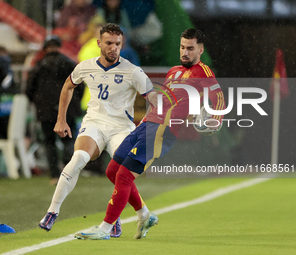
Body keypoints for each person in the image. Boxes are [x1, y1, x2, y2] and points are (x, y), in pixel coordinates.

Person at [74, 28, 226, 240]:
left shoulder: (203, 71)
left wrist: (215, 120)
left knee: (125, 175)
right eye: (182, 47)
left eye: (190, 48)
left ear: (200, 50)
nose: (185, 52)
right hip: (147, 125)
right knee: (112, 170)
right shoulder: (174, 70)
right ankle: (144, 215)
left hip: (163, 131)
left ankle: (106, 229)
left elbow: (218, 98)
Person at [39, 24, 157, 238]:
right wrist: (61, 120)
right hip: (94, 122)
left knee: (120, 174)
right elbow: (68, 86)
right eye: (109, 43)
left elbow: (153, 97)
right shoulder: (85, 66)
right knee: (78, 158)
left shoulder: (133, 71)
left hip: (122, 127)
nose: (113, 48)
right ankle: (52, 212)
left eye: (118, 44)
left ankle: (117, 218)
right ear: (99, 43)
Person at [26, 35, 82, 185]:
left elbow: (29, 89)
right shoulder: (69, 64)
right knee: (69, 140)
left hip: (45, 110)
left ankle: (54, 174)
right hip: (68, 109)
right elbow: (80, 86)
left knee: (49, 141)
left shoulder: (38, 66)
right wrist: (73, 104)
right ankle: (71, 172)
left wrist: (38, 103)